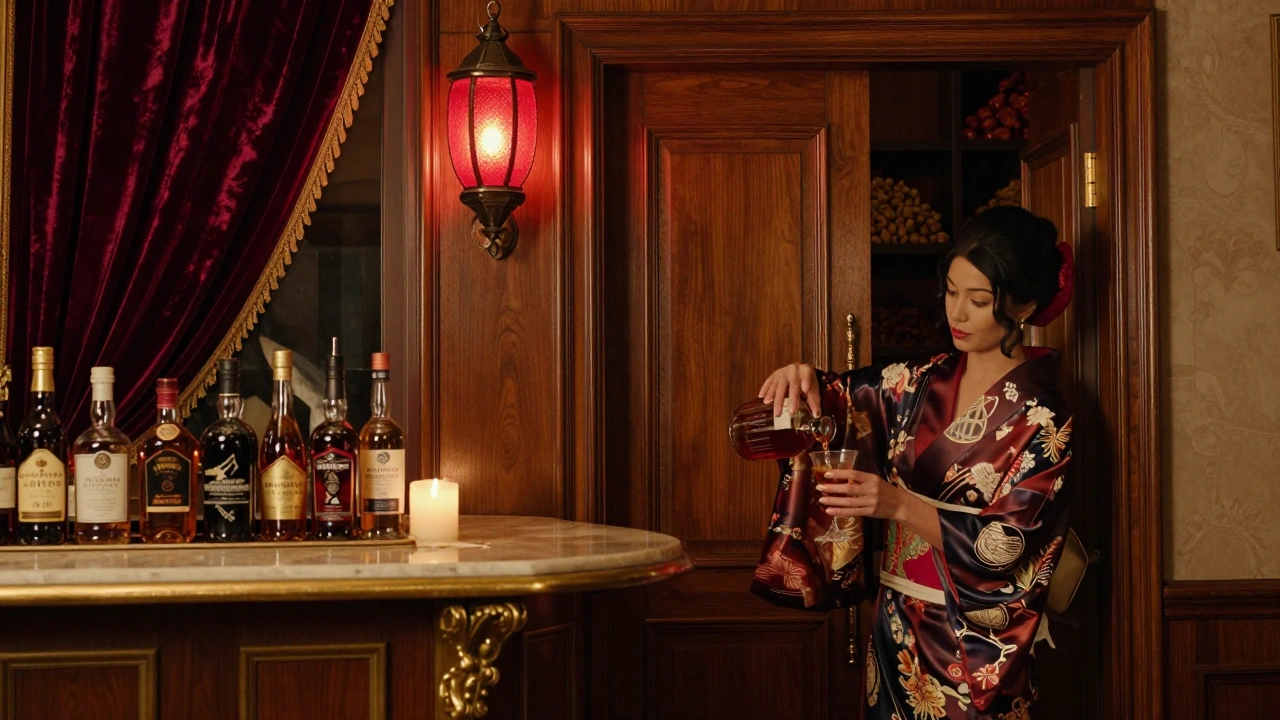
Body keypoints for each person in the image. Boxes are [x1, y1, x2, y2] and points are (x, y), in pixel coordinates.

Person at [752, 206, 1076, 719]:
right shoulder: (920, 380)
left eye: (979, 300)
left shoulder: (1042, 418)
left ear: (1024, 305)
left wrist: (898, 505)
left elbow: (1008, 543)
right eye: (951, 291)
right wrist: (807, 378)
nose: (958, 314)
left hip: (971, 640)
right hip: (897, 620)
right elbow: (841, 401)